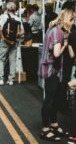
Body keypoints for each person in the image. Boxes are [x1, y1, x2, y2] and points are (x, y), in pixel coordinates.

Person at [38, 9, 75, 141]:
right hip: (51, 70)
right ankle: (45, 129)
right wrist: (65, 44)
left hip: (52, 69)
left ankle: (53, 124)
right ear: (67, 20)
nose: (73, 23)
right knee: (49, 99)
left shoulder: (52, 28)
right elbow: (57, 53)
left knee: (53, 98)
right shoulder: (58, 32)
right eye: (72, 20)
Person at [0, 2, 24, 86]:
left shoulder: (4, 17)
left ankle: (1, 78)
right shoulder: (18, 18)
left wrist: (3, 38)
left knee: (1, 59)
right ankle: (11, 79)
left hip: (5, 41)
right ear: (15, 9)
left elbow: (0, 29)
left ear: (7, 9)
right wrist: (16, 36)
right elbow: (23, 31)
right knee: (12, 60)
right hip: (14, 42)